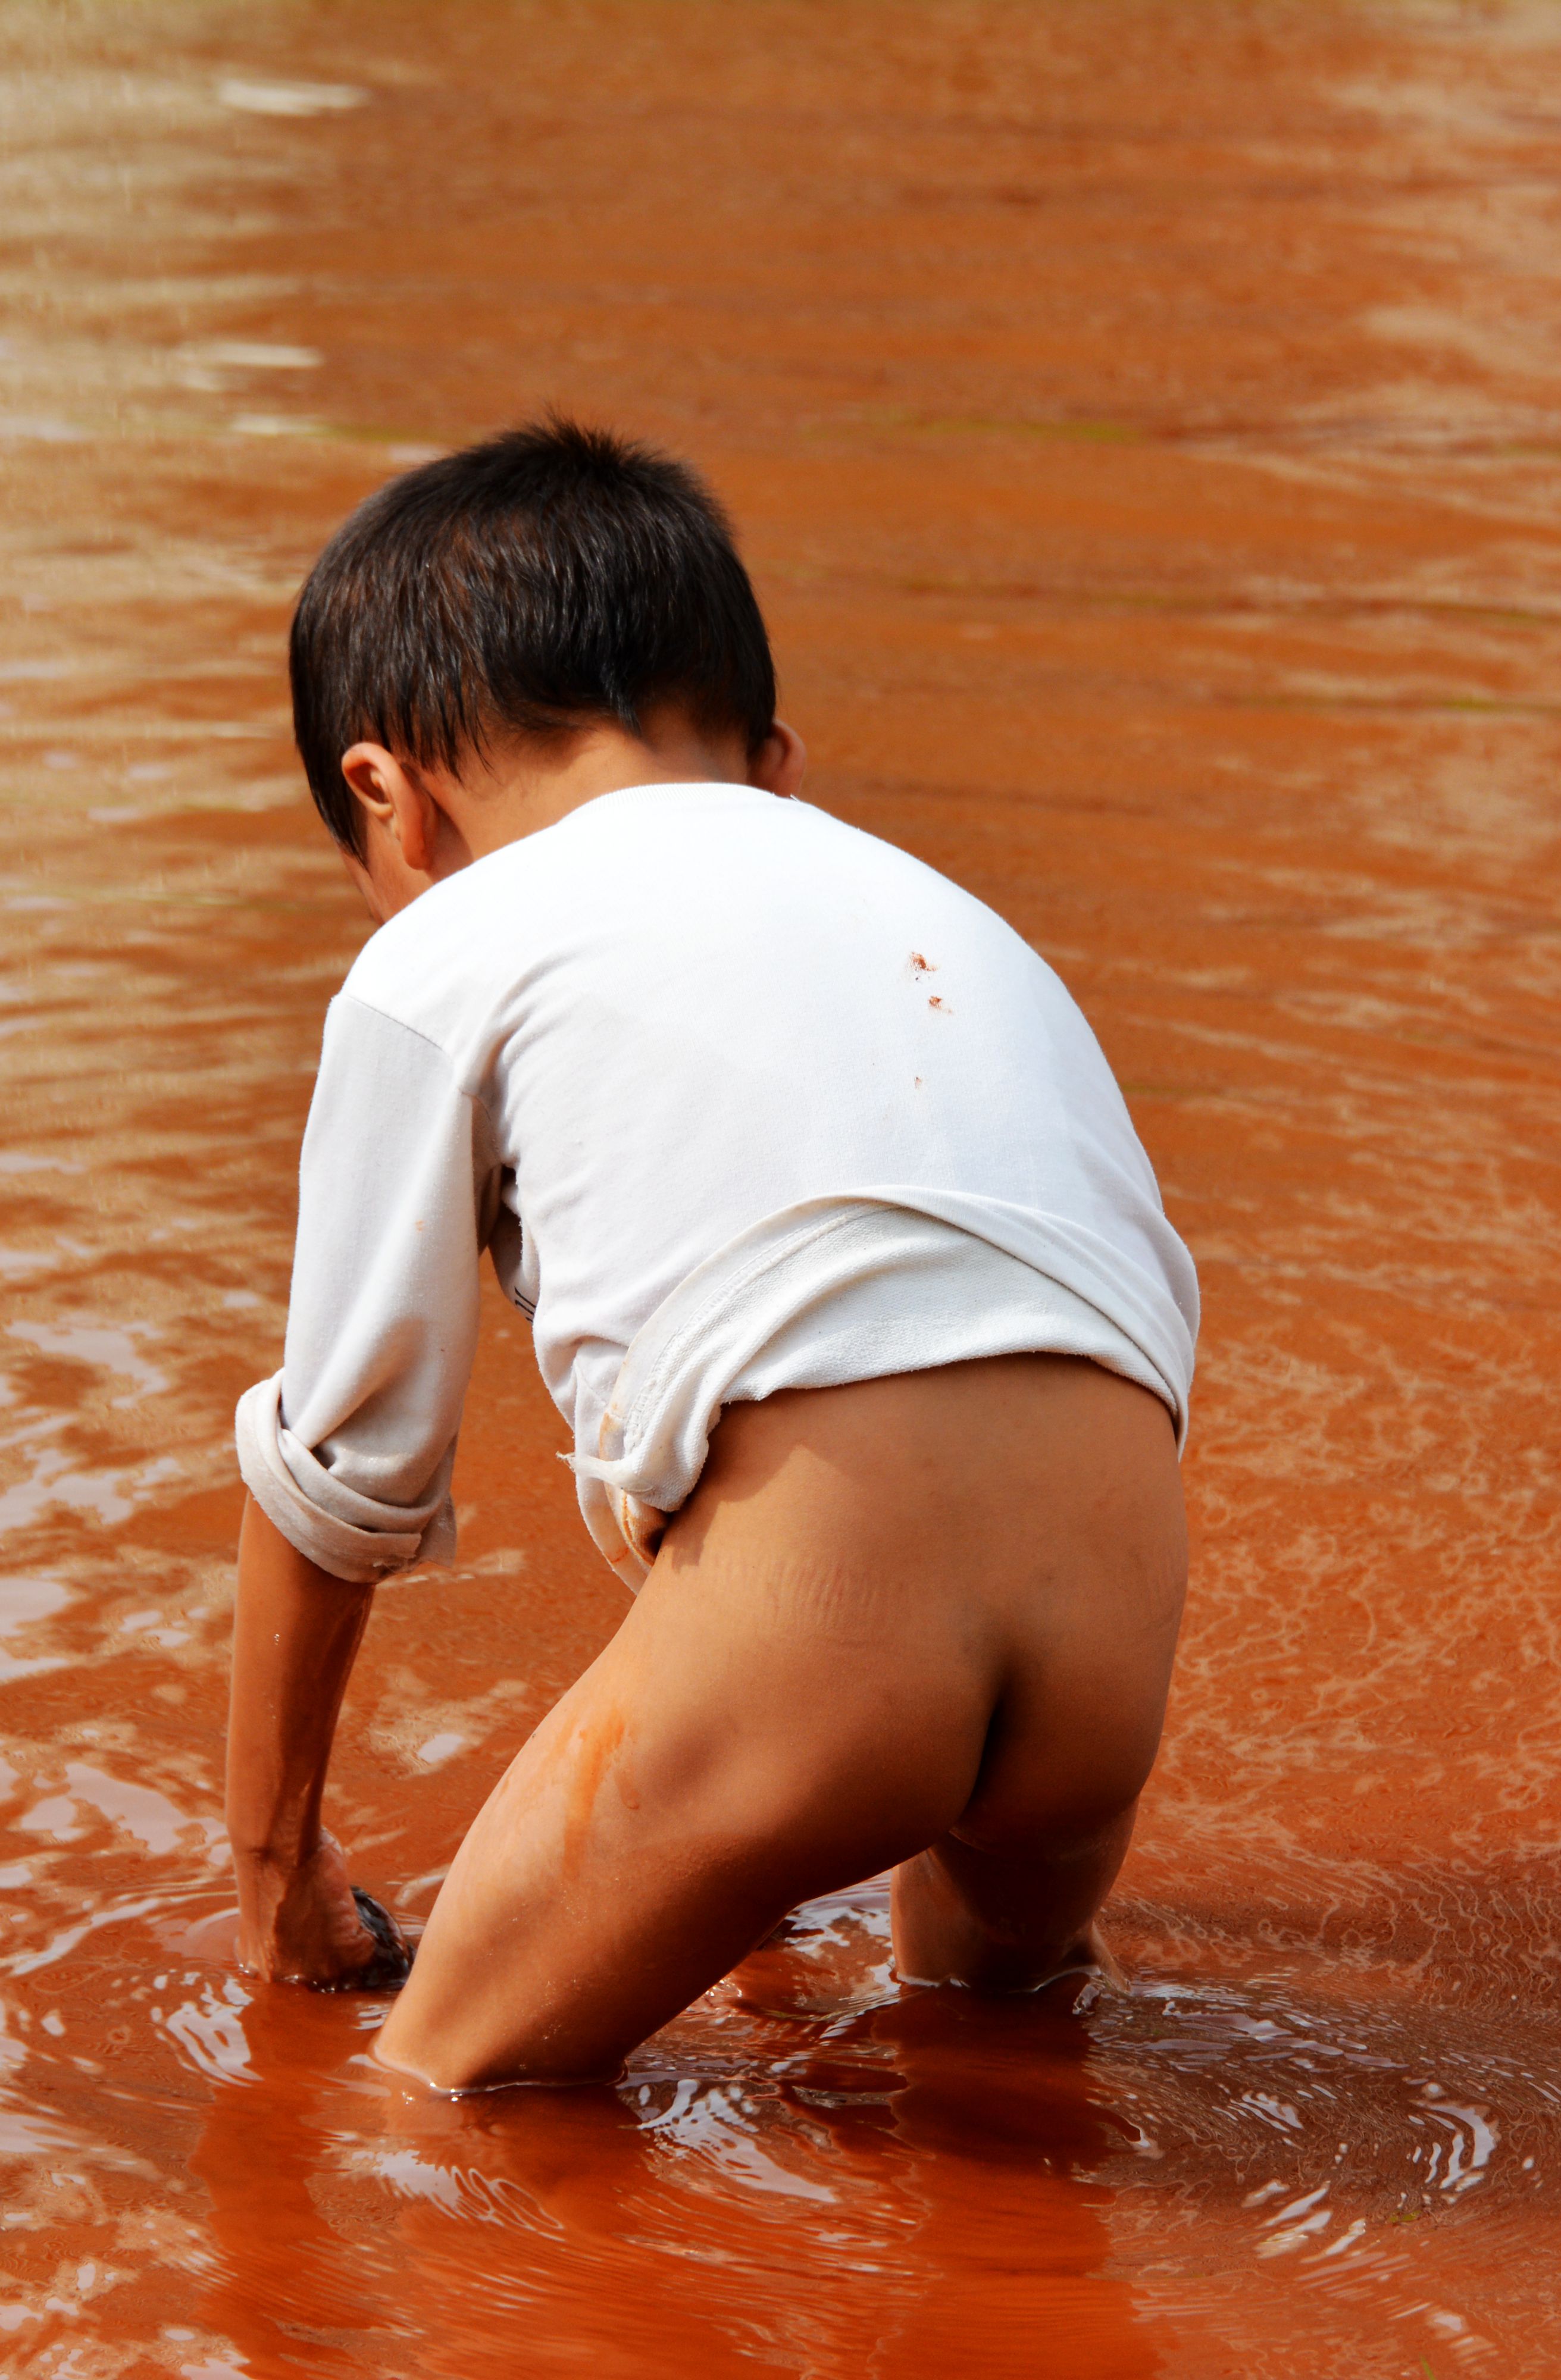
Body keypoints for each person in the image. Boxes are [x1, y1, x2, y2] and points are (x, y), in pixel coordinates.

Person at [223, 416, 1199, 2091]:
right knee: (994, 2066)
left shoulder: (450, 944)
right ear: (777, 764)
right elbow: (899, 1318)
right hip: (1113, 1627)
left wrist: (278, 1886)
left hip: (821, 1636)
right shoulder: (943, 919)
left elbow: (338, 1478)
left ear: (390, 801)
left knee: (423, 2127)